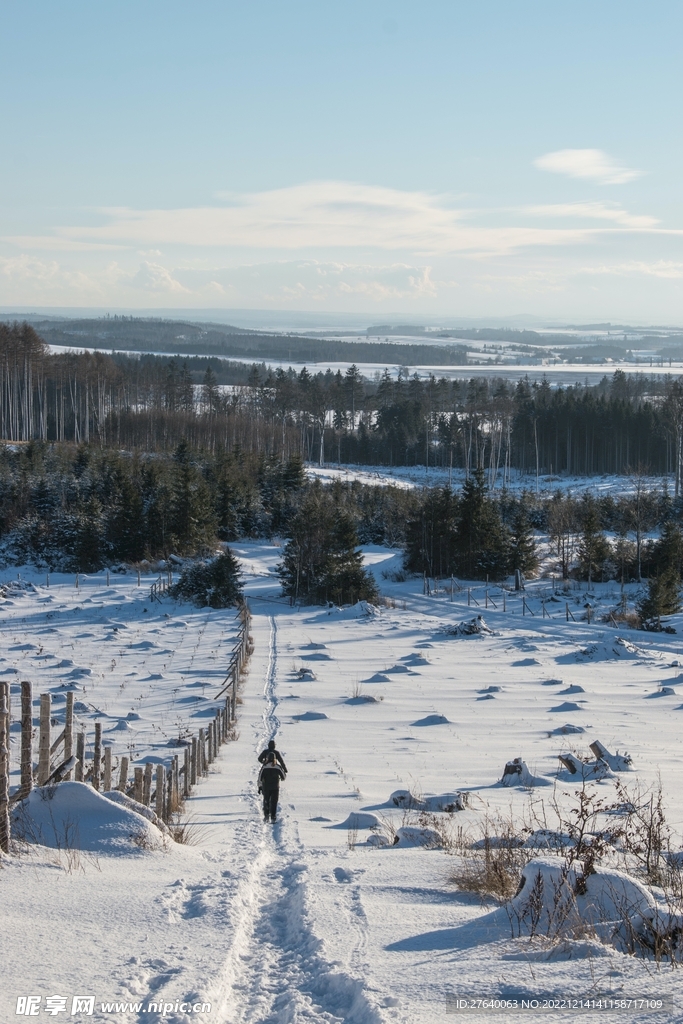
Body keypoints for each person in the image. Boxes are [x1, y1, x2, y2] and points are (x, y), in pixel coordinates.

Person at [257, 752, 285, 822]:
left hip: (266, 787)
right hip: (275, 787)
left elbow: (260, 778)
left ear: (267, 758)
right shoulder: (278, 767)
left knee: (266, 800)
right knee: (274, 802)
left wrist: (260, 786)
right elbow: (283, 777)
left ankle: (266, 816)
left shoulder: (264, 767)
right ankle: (273, 817)